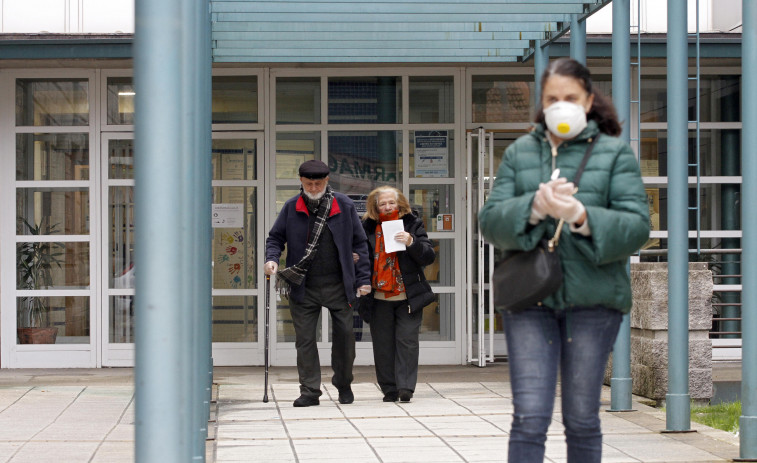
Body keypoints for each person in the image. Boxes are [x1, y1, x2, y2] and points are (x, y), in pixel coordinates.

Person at [478, 58, 650, 463]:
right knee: (530, 416)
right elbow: (489, 222)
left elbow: (637, 226)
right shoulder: (520, 152)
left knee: (582, 416)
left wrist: (582, 216)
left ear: (588, 100)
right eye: (552, 98)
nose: (561, 106)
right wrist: (534, 207)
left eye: (570, 97)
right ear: (542, 102)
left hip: (593, 302)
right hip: (529, 300)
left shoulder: (613, 153)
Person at [264, 160, 372, 407]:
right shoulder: (292, 207)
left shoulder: (342, 204)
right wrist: (271, 260)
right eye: (309, 183)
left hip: (339, 284)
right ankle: (310, 391)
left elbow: (359, 244)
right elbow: (275, 238)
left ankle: (343, 383)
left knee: (345, 337)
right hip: (304, 285)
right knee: (304, 339)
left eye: (318, 183)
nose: (313, 188)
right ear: (300, 181)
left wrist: (363, 279)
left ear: (327, 180)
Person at [360, 186, 436, 403]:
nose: (387, 207)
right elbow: (358, 254)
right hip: (378, 297)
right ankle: (389, 389)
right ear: (375, 207)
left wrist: (411, 242)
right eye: (382, 204)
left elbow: (428, 256)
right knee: (383, 345)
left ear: (399, 203)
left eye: (391, 203)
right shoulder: (366, 227)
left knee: (407, 341)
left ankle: (405, 388)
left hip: (407, 296)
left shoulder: (413, 223)